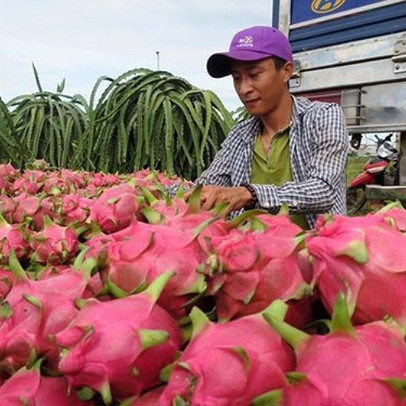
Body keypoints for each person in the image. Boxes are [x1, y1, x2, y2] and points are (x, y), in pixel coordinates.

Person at [188, 25, 349, 229]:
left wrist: (250, 194)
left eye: (254, 74)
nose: (244, 89)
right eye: (237, 78)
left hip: (318, 253)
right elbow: (208, 183)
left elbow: (323, 191)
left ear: (286, 71)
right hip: (254, 255)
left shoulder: (323, 117)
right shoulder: (240, 135)